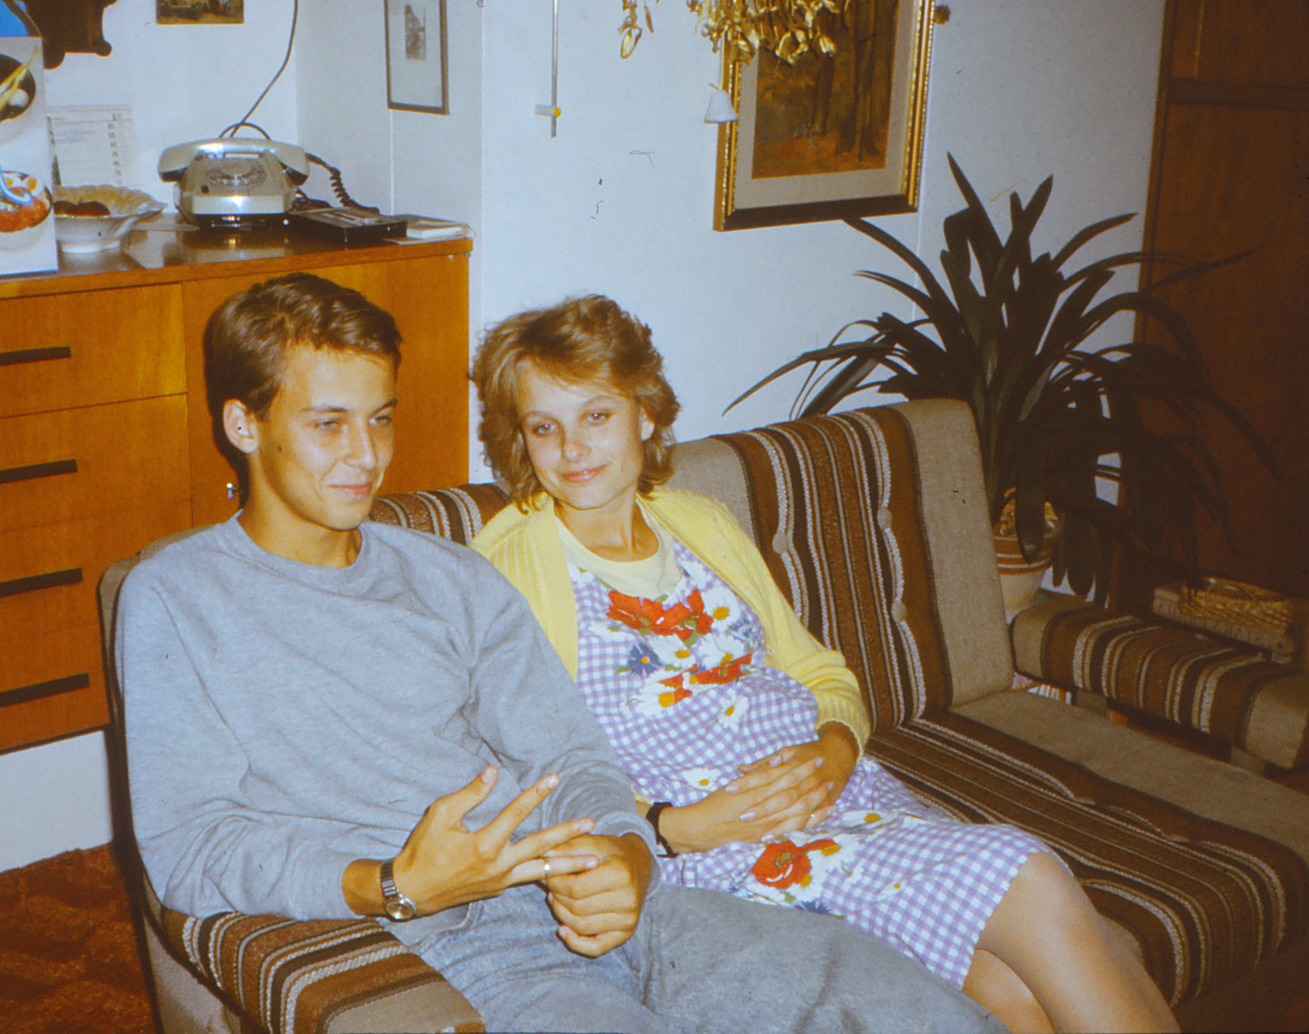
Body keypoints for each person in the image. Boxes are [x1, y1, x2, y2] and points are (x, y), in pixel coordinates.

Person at [117, 273, 1002, 1034]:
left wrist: (626, 856)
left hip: (628, 908)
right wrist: (392, 884)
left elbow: (570, 754)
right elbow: (189, 848)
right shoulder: (177, 598)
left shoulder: (449, 576)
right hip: (468, 949)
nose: (366, 456)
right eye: (328, 424)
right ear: (244, 423)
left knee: (913, 1008)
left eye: (380, 419)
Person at [469, 293, 1179, 1034]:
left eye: (595, 416)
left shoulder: (698, 522)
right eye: (544, 427)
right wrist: (667, 828)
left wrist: (837, 747)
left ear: (644, 414)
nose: (572, 449)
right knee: (1031, 874)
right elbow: (513, 762)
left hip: (840, 800)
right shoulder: (508, 565)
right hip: (711, 852)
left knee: (1012, 997)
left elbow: (821, 673)